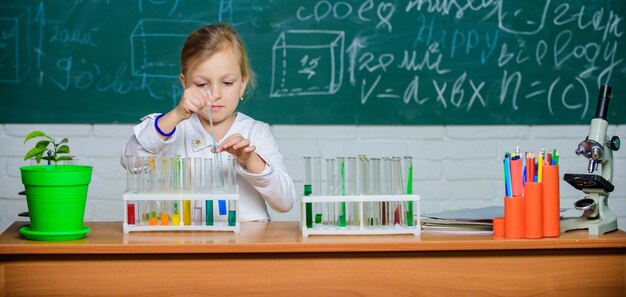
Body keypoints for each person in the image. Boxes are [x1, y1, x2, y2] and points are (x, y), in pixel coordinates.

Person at [121, 23, 296, 221]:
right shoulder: (175, 127)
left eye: (227, 83)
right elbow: (129, 160)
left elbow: (285, 202)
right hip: (189, 243)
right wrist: (176, 115)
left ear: (242, 85)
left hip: (247, 242)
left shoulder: (256, 132)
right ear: (185, 84)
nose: (215, 94)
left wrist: (250, 160)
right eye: (202, 84)